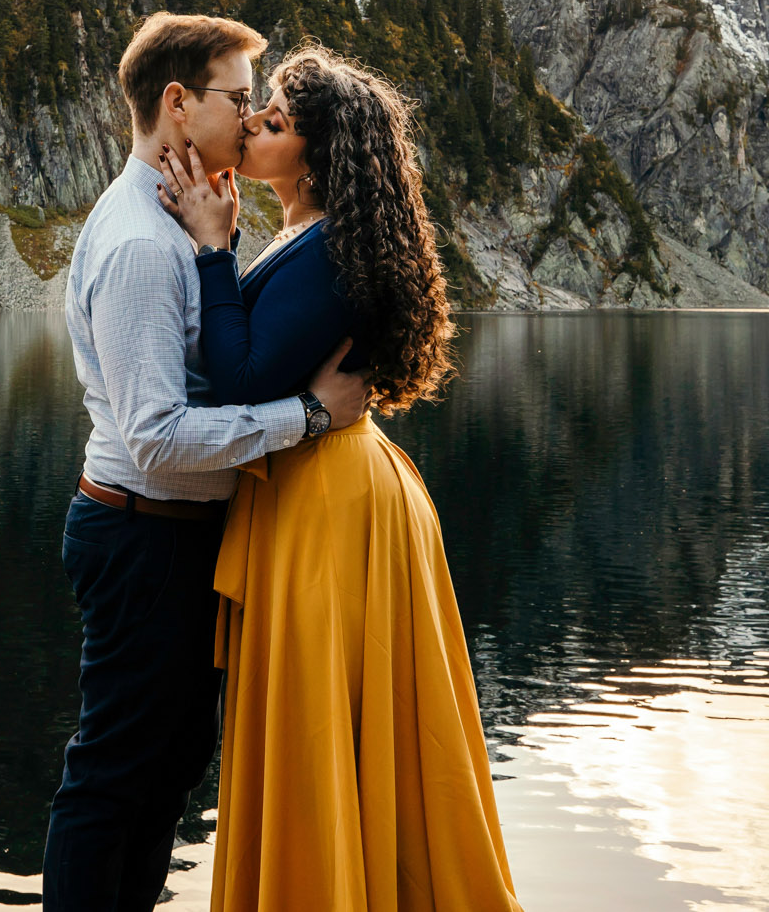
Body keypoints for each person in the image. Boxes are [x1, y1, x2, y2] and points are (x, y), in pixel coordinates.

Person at [155, 44, 523, 912]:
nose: (251, 123)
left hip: (328, 503)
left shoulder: (329, 253)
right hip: (334, 488)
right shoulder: (314, 236)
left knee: (319, 722)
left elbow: (244, 378)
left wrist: (212, 250)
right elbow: (268, 354)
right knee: (346, 726)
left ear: (315, 159)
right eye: (258, 109)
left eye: (273, 121)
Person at [43, 14, 372, 912]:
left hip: (178, 538)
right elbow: (155, 434)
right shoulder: (145, 247)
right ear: (179, 105)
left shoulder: (180, 219)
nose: (254, 112)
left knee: (164, 773)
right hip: (143, 534)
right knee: (113, 777)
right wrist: (305, 415)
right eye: (240, 97)